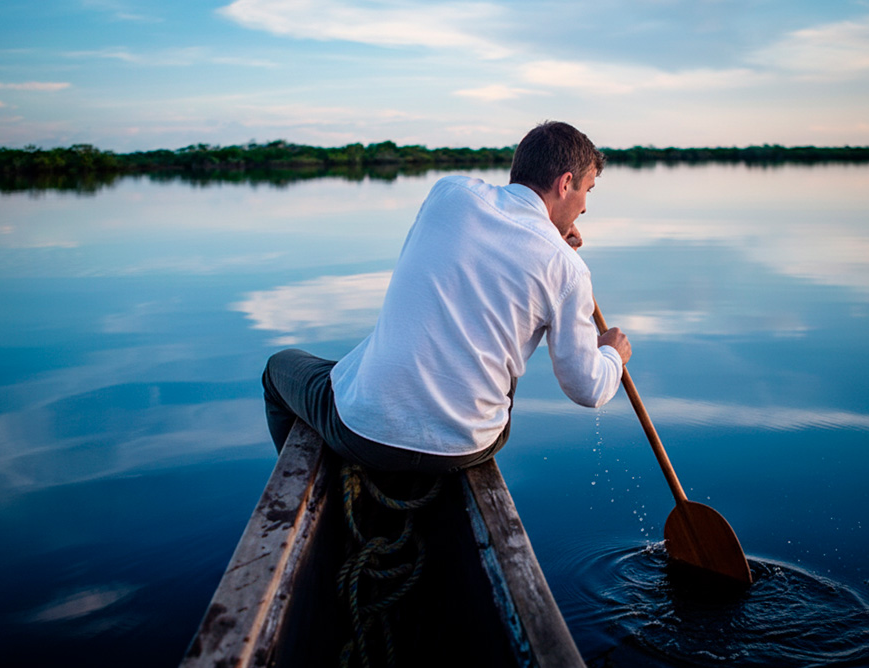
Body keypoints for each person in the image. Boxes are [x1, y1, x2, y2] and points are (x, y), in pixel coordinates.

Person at [262, 121, 631, 472]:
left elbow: (500, 241)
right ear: (566, 183)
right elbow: (588, 388)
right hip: (466, 445)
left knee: (279, 366)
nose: (584, 207)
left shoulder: (449, 194)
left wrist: (554, 243)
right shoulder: (567, 269)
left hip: (363, 432)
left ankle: (318, 478)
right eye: (587, 190)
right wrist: (613, 353)